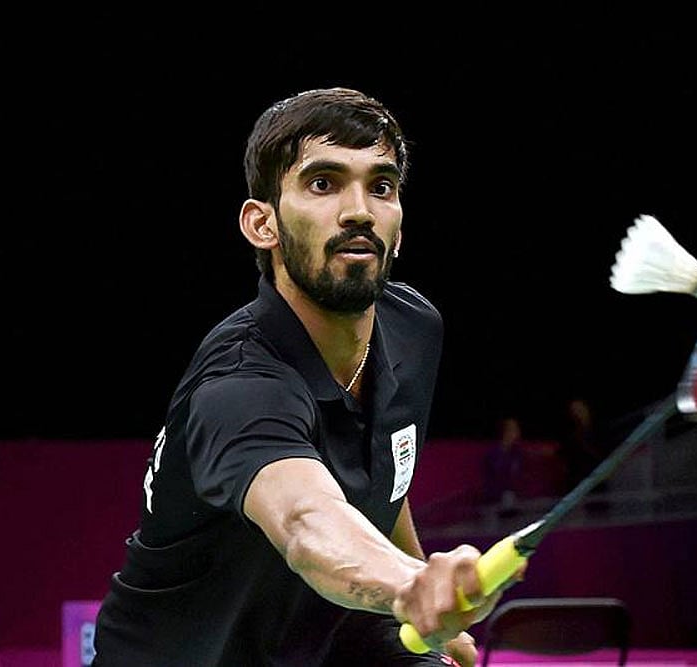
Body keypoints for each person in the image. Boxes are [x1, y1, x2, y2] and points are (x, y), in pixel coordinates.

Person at [92, 87, 512, 666]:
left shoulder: (414, 328)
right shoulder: (240, 383)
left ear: (399, 227)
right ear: (262, 224)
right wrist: (409, 585)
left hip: (332, 637)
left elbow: (385, 475)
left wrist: (422, 597)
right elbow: (305, 521)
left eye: (381, 187)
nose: (359, 210)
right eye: (323, 183)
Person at [481, 415, 525, 514]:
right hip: (494, 502)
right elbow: (497, 478)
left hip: (512, 499)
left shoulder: (517, 453)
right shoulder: (493, 453)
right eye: (513, 429)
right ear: (505, 432)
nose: (517, 432)